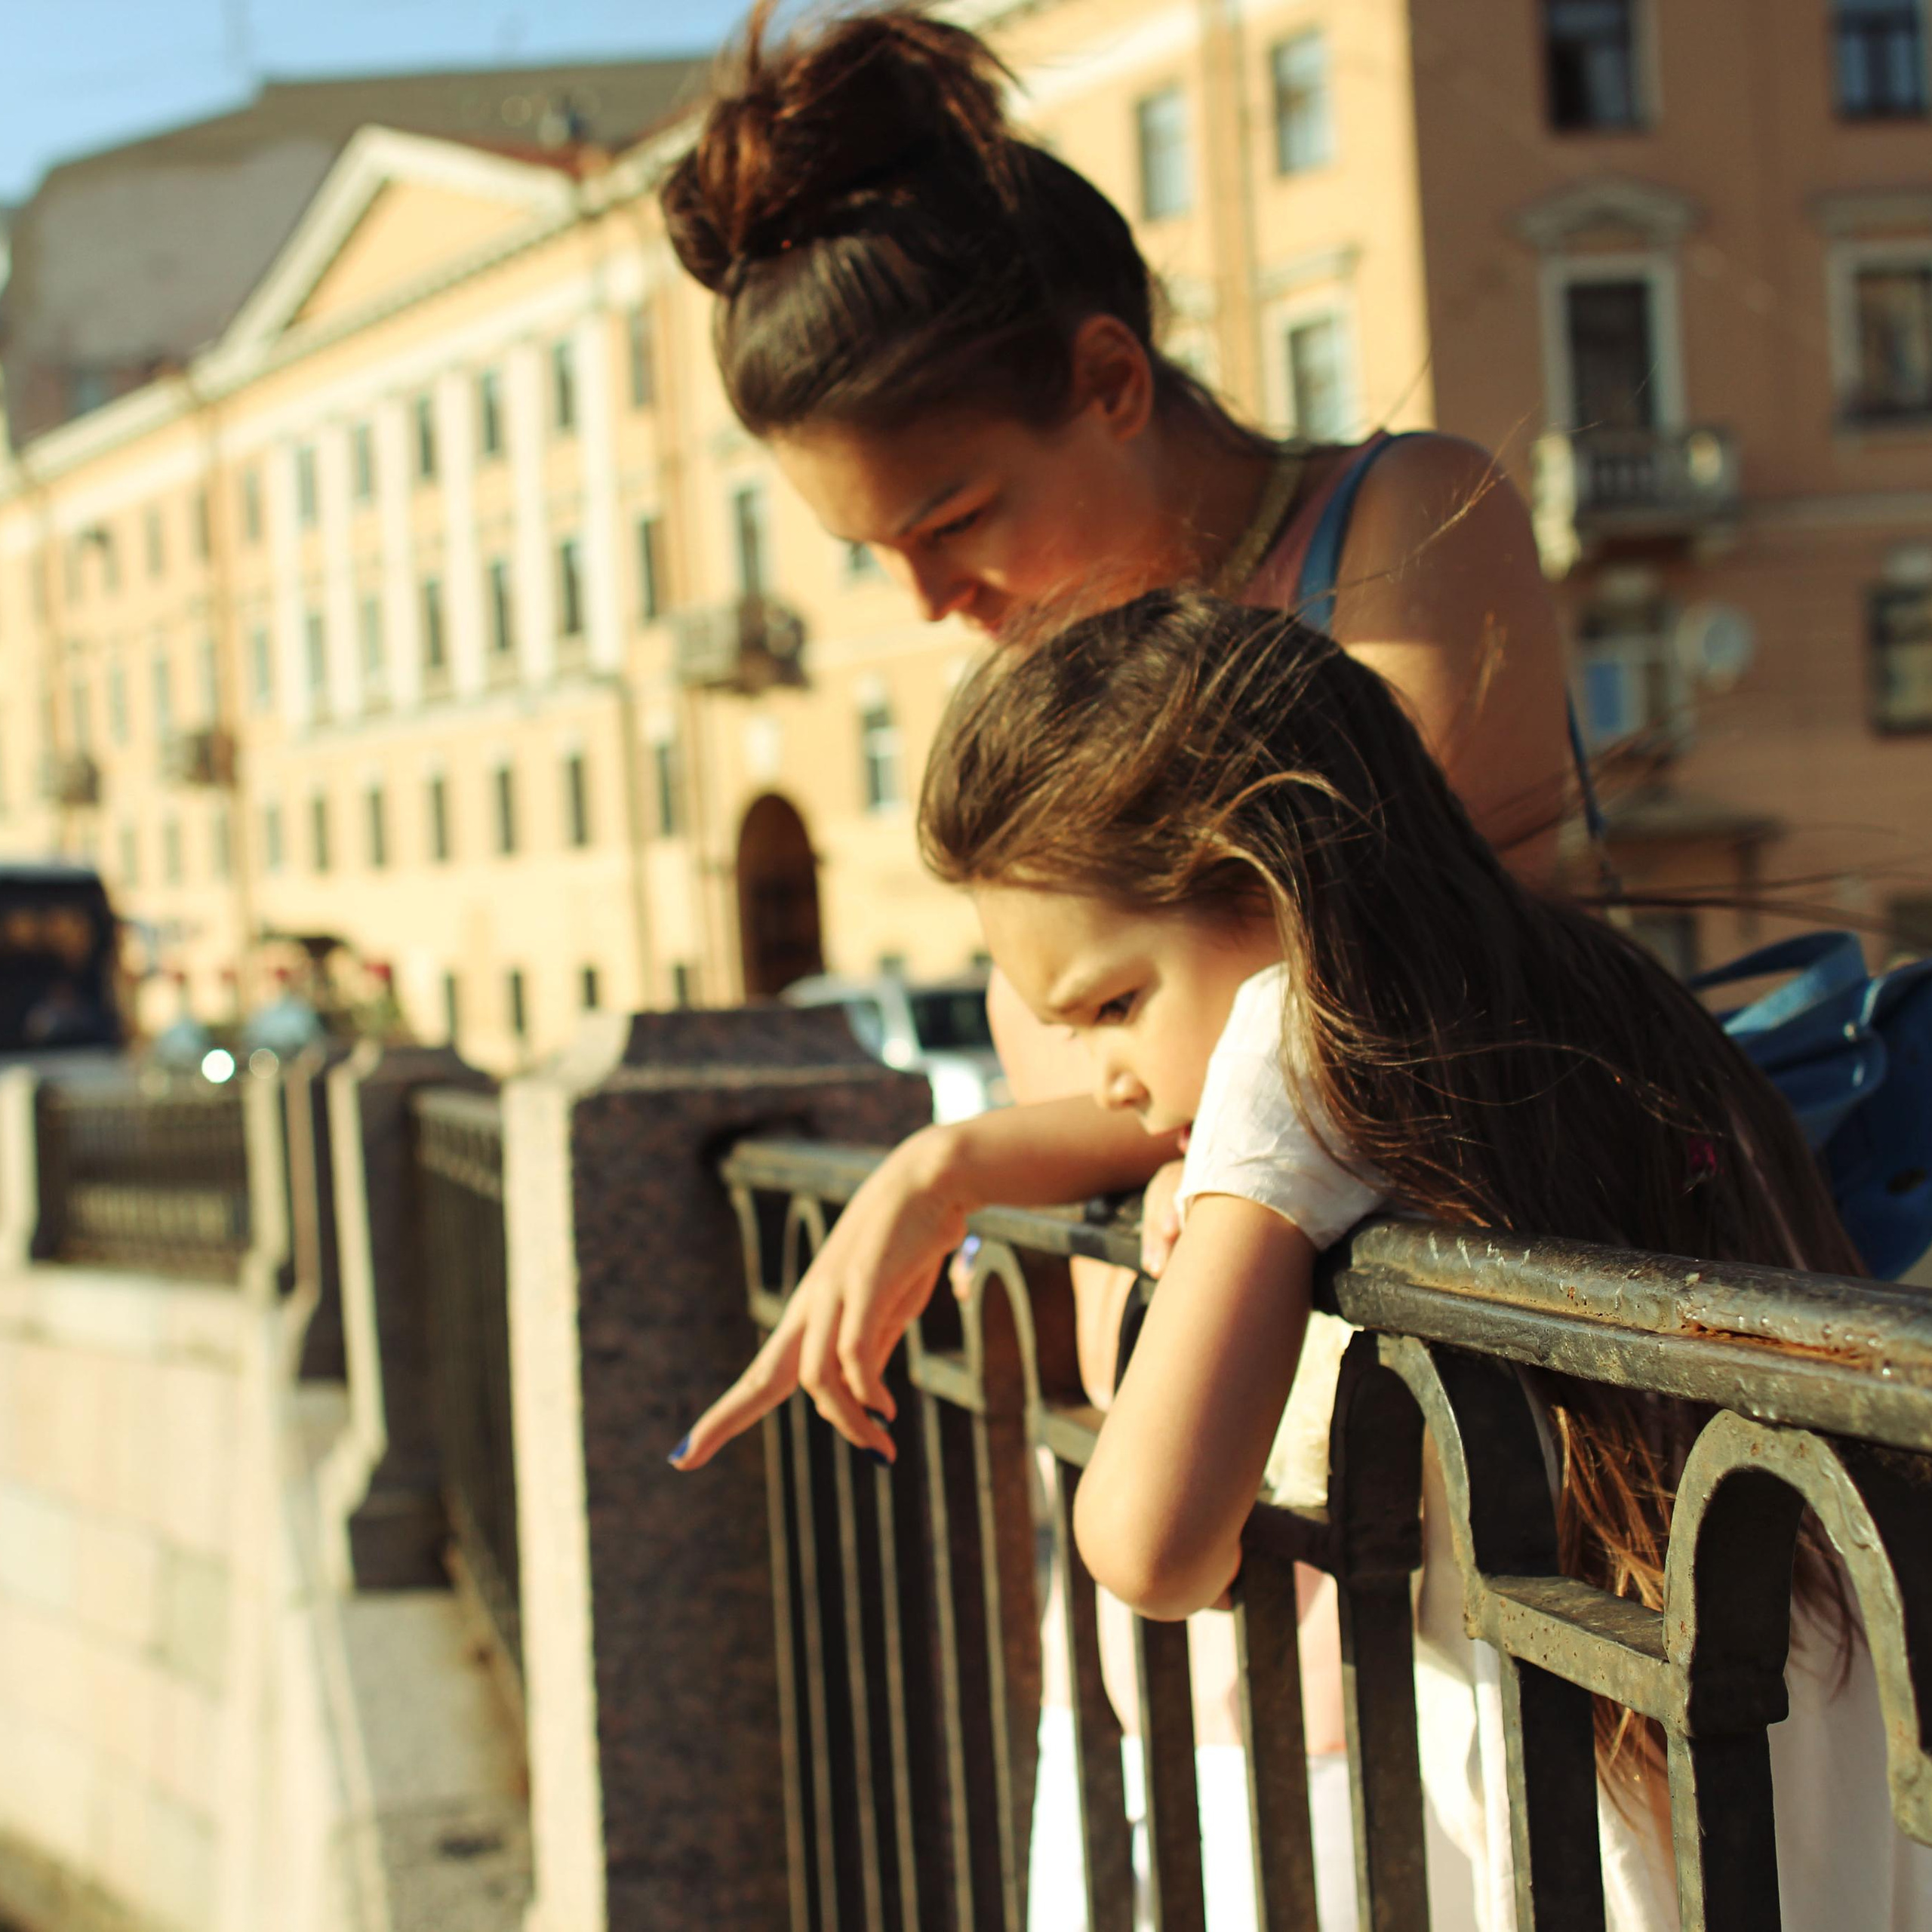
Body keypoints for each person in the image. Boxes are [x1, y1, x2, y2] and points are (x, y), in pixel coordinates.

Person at [675, 589, 1930, 1928]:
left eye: (1114, 1005)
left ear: (1273, 879)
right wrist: (952, 1166)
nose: (1105, 1081)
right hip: (1809, 1756)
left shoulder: (1293, 1039)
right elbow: (1184, 1100)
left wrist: (1216, 1194)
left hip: (1633, 1839)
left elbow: (1148, 1547)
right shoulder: (1571, 989)